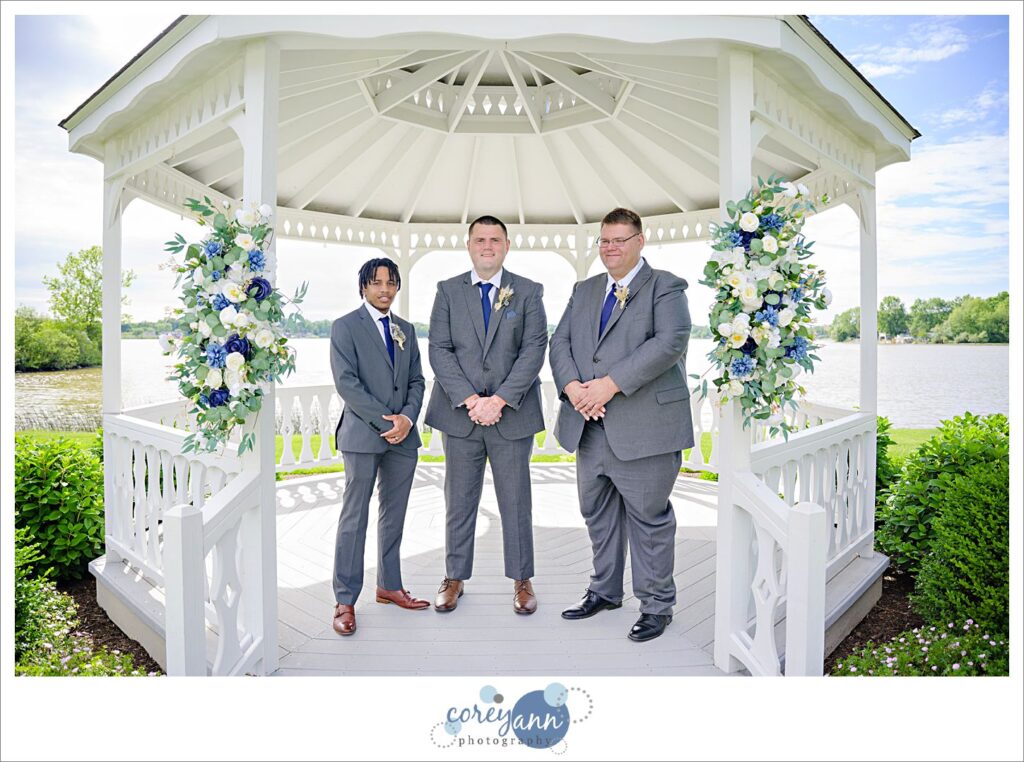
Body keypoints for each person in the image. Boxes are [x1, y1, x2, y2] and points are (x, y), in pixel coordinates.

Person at [549, 207, 694, 642]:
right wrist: (574, 388)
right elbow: (560, 342)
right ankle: (605, 591)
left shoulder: (666, 287)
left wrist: (609, 385)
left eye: (619, 240)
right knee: (597, 514)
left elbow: (670, 342)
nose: (610, 248)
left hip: (646, 429)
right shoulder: (585, 289)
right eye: (605, 241)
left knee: (649, 519)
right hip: (588, 426)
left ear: (639, 241)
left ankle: (656, 605)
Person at [425, 215, 548, 615]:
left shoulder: (527, 292)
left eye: (495, 239)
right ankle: (454, 577)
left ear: (507, 246)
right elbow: (439, 349)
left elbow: (534, 349)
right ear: (469, 245)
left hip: (511, 415)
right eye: (480, 239)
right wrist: (470, 399)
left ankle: (522, 580)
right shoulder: (447, 291)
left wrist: (498, 401)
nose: (488, 246)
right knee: (459, 500)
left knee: (516, 501)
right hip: (460, 416)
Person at [328, 258, 429, 636]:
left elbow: (417, 379)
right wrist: (386, 421)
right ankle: (345, 598)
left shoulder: (406, 329)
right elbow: (347, 384)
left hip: (404, 438)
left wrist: (407, 419)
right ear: (363, 288)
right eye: (376, 283)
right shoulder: (345, 327)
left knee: (395, 514)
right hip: (362, 435)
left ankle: (389, 585)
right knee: (354, 518)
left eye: (390, 282)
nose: (384, 289)